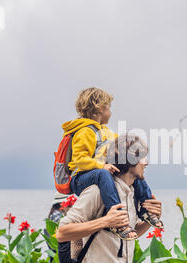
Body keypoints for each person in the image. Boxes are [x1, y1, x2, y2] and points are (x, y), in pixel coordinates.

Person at [56, 134, 162, 263]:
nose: (146, 162)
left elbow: (128, 235)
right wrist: (105, 221)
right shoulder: (97, 191)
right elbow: (62, 232)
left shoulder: (132, 193)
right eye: (142, 157)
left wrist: (150, 220)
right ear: (129, 159)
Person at [61, 87, 163, 240]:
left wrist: (134, 155)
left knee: (134, 173)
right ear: (99, 108)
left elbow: (120, 146)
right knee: (103, 174)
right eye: (108, 107)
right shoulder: (85, 132)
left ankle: (147, 209)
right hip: (81, 178)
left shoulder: (106, 131)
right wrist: (101, 166)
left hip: (101, 174)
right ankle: (117, 217)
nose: (110, 112)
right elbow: (79, 160)